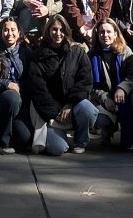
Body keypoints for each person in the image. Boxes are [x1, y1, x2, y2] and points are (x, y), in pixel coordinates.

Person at [28, 14, 97, 155]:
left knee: (88, 109)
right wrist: (55, 113)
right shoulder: (38, 56)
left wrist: (70, 104)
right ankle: (57, 135)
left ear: (66, 31)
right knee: (57, 149)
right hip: (52, 112)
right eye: (54, 29)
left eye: (61, 29)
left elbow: (85, 81)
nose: (58, 34)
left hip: (73, 106)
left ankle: (80, 141)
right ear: (48, 31)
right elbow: (39, 89)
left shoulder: (77, 52)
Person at [89, 19, 133, 151]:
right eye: (102, 32)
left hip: (125, 97)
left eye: (109, 31)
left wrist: (122, 88)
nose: (105, 35)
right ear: (97, 34)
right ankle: (106, 132)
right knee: (99, 117)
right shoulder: (92, 55)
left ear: (116, 34)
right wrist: (105, 98)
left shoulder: (126, 51)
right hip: (104, 100)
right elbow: (90, 85)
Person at [0, 18, 34, 154]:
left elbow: (31, 78)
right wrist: (6, 84)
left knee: (26, 140)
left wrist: (20, 86)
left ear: (18, 32)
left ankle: (9, 132)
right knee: (11, 97)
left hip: (20, 103)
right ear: (1, 32)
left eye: (13, 30)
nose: (9, 33)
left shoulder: (25, 51)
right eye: (6, 30)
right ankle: (1, 141)